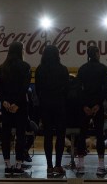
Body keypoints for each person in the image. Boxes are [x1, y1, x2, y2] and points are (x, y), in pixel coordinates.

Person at [0, 41, 31, 175]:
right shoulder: (25, 66)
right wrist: (16, 103)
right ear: (20, 51)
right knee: (20, 135)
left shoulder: (2, 67)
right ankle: (18, 165)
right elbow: (24, 88)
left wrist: (4, 101)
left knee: (5, 135)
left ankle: (7, 164)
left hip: (6, 106)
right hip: (20, 106)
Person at [35, 45, 69, 176]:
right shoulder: (63, 69)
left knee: (48, 136)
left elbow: (38, 90)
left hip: (45, 105)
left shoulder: (40, 69)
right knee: (60, 136)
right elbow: (66, 89)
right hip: (60, 105)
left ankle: (49, 166)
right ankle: (58, 165)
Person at [76, 46, 107, 175]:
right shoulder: (103, 68)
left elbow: (78, 89)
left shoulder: (82, 69)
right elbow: (105, 89)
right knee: (99, 135)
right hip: (97, 106)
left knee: (82, 134)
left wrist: (84, 105)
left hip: (85, 107)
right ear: (96, 53)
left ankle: (80, 165)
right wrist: (98, 104)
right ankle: (101, 166)